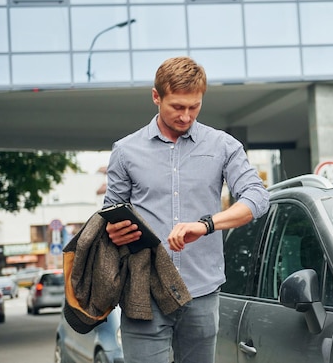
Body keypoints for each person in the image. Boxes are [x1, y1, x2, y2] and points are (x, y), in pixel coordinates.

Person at [103, 56, 270, 363]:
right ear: (156, 97)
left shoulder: (223, 146)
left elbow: (257, 198)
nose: (186, 115)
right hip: (144, 292)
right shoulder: (125, 151)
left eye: (194, 106)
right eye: (177, 107)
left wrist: (206, 225)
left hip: (201, 292)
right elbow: (111, 215)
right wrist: (113, 230)